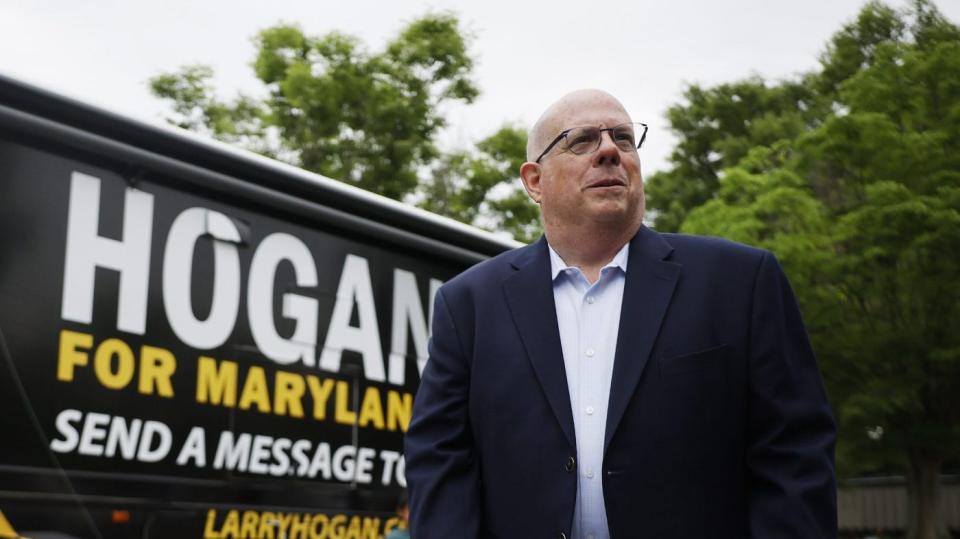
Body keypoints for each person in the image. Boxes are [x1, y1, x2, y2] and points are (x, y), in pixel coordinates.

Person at [404, 89, 837, 539]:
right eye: (583, 141)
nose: (609, 150)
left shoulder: (740, 282)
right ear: (534, 181)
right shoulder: (469, 304)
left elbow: (795, 454)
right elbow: (439, 459)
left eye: (624, 139)